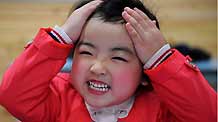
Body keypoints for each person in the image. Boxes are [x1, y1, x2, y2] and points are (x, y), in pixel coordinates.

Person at [0, 0, 216, 122]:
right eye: (85, 52)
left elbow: (209, 115)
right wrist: (61, 36)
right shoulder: (57, 99)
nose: (97, 67)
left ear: (145, 72)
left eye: (118, 57)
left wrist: (161, 58)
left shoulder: (161, 109)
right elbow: (12, 95)